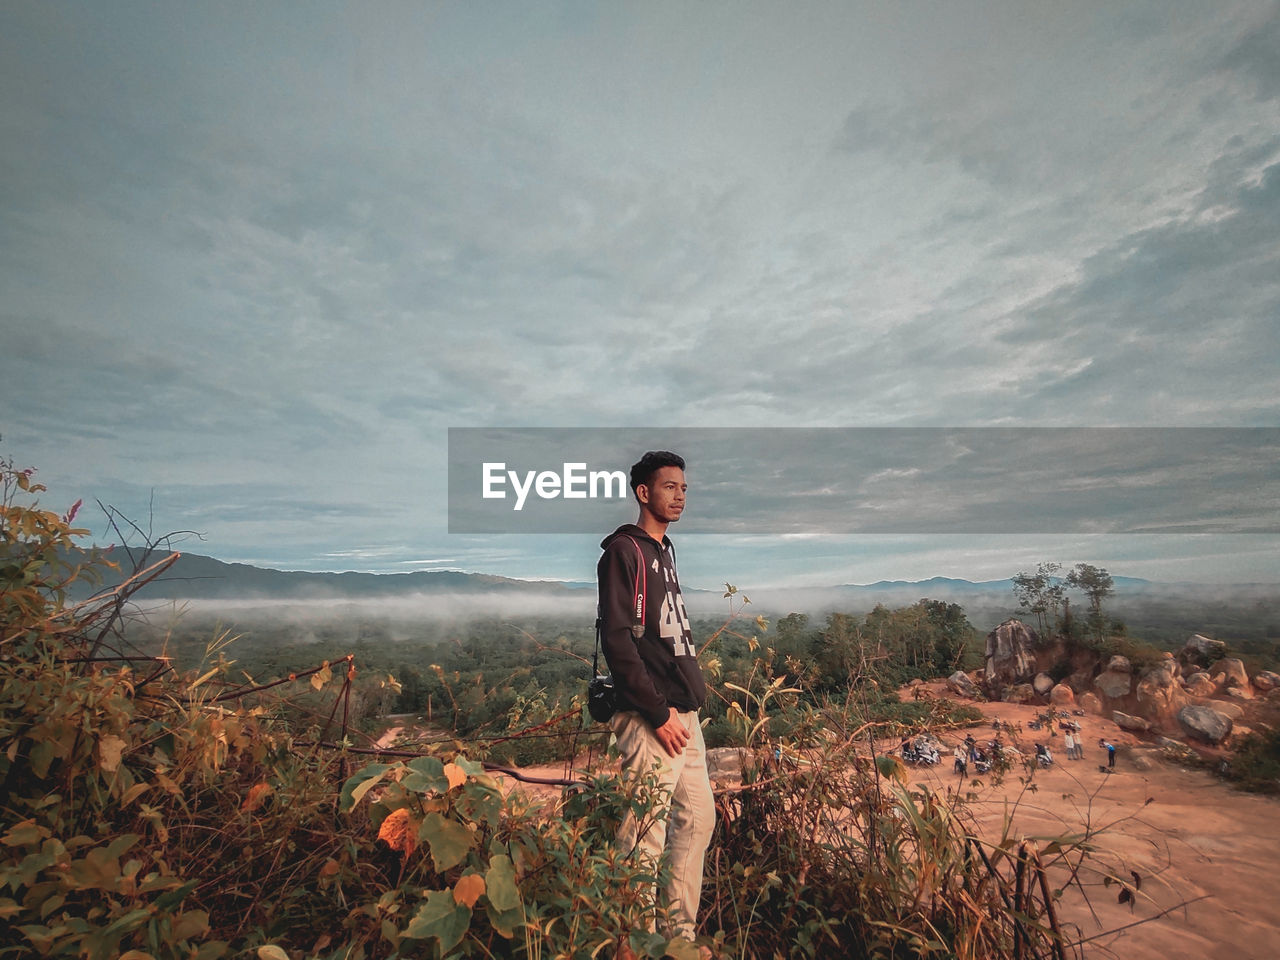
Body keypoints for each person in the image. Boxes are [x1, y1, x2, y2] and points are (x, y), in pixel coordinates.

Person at [597, 451, 713, 947]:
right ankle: (632, 943)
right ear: (644, 492)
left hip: (683, 715)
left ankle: (676, 937)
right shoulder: (623, 552)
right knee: (643, 834)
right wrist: (659, 712)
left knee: (697, 819)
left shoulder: (664, 551)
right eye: (670, 487)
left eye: (684, 487)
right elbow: (619, 641)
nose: (680, 495)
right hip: (653, 718)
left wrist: (681, 706)